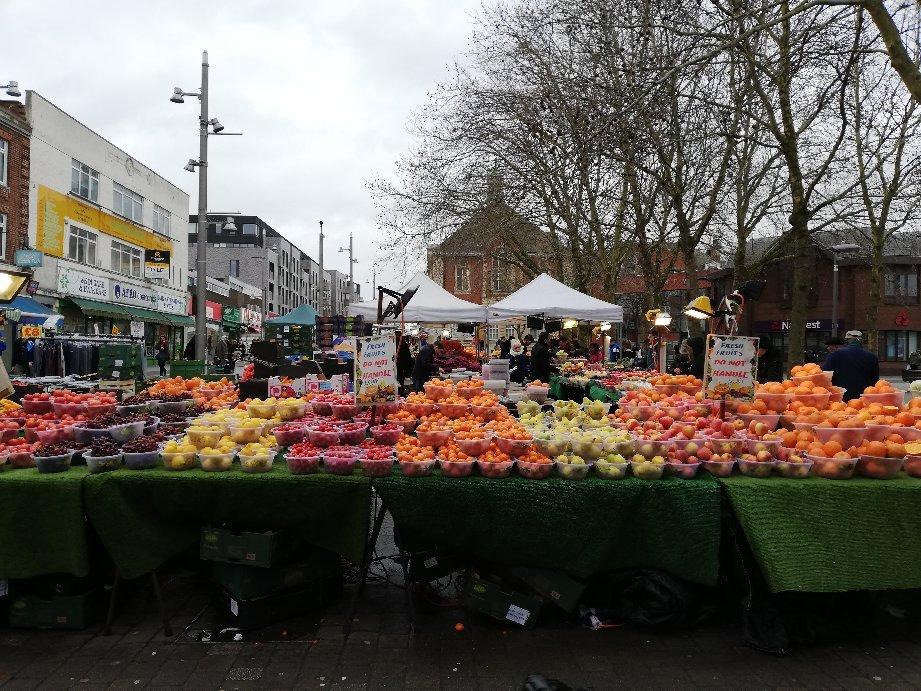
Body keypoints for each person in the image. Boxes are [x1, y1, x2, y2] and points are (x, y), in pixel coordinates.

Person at [823, 330, 880, 401]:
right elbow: (875, 380)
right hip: (864, 398)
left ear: (846, 341)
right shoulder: (872, 357)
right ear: (861, 341)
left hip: (840, 398)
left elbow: (825, 376)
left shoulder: (835, 355)